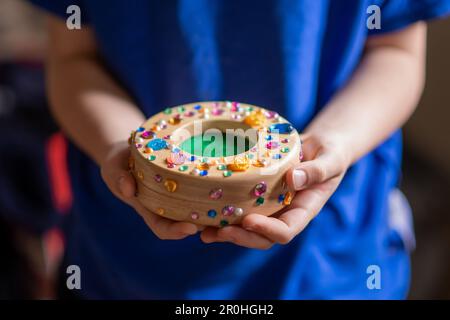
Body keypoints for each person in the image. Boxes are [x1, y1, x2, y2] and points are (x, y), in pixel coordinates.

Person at [30, 0, 450, 299]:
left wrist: (337, 143)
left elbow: (395, 51)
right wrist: (123, 150)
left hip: (329, 260)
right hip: (124, 260)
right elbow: (73, 56)